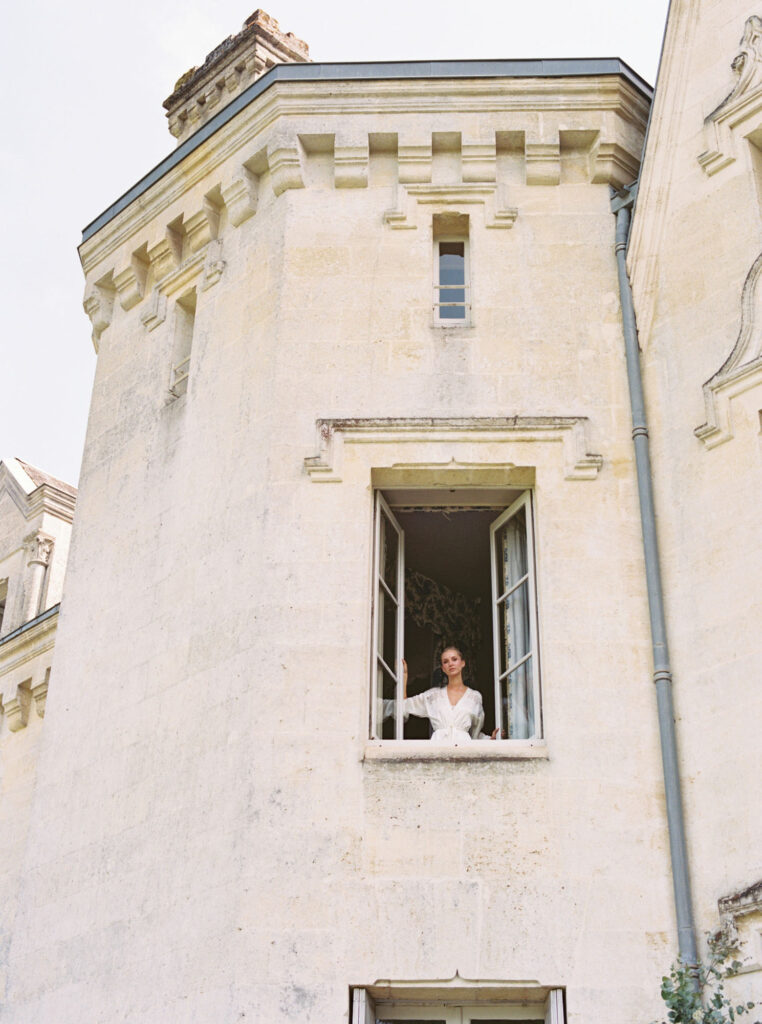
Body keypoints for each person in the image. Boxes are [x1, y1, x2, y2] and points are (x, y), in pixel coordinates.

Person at [400, 646, 499, 743]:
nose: (450, 663)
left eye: (454, 659)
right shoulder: (433, 696)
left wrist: (490, 739)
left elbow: (475, 734)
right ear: (443, 668)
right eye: (446, 661)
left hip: (464, 750)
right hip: (438, 749)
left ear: (462, 663)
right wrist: (404, 676)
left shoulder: (475, 697)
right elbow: (404, 705)